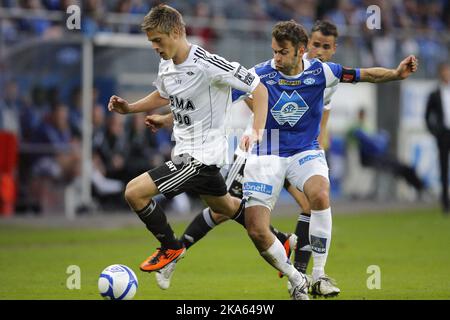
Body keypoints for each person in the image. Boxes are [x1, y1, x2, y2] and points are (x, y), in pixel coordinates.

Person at [148, 20, 419, 300]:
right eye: (274, 51)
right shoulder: (260, 75)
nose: (276, 57)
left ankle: (316, 276)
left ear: (301, 51)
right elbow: (213, 101)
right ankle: (290, 273)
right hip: (267, 153)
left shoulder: (323, 73)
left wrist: (397, 74)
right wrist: (167, 118)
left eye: (282, 52)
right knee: (237, 218)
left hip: (303, 152)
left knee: (318, 196)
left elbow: (366, 75)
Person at [108, 4, 268, 274]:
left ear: (176, 32)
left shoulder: (209, 64)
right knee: (225, 205)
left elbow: (259, 88)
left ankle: (171, 246)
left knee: (134, 193)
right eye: (151, 42)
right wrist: (131, 108)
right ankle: (280, 241)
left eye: (157, 40)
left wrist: (257, 130)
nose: (155, 47)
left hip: (202, 157)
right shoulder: (167, 64)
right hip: (185, 151)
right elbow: (164, 94)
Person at [348, 108, 426, 199]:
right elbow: (370, 141)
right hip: (377, 159)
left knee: (406, 168)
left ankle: (420, 187)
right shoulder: (356, 128)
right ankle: (420, 188)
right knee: (404, 169)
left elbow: (375, 142)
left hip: (382, 158)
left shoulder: (366, 128)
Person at [425, 63, 450, 214]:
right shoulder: (435, 94)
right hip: (444, 134)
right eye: (445, 72)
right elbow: (427, 116)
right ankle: (445, 203)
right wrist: (435, 132)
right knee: (443, 168)